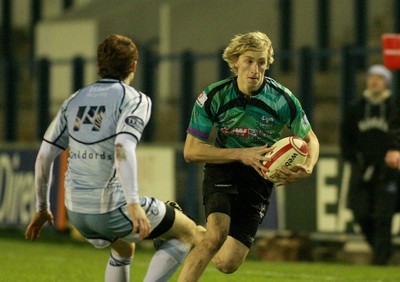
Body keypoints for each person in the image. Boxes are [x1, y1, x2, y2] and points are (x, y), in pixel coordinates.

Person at [25, 34, 205, 282]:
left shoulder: (74, 100)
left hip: (76, 211)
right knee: (187, 232)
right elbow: (122, 146)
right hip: (112, 208)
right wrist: (133, 204)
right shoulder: (134, 99)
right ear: (133, 65)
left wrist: (42, 208)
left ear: (99, 66)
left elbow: (45, 156)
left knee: (123, 247)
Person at [178, 31, 320, 281]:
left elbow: (311, 140)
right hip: (224, 166)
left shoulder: (282, 99)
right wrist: (241, 154)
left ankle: (188, 231)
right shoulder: (214, 96)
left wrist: (308, 166)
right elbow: (191, 151)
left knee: (227, 263)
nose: (255, 69)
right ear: (235, 62)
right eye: (249, 61)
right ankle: (202, 235)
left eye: (261, 62)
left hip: (260, 176)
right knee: (216, 236)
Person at [340, 64, 400, 266]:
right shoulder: (356, 108)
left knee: (384, 215)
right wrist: (353, 160)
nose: (374, 81)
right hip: (362, 168)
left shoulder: (394, 107)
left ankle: (381, 260)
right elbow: (345, 137)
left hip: (388, 169)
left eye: (379, 78)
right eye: (371, 77)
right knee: (361, 213)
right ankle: (381, 249)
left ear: (387, 82)